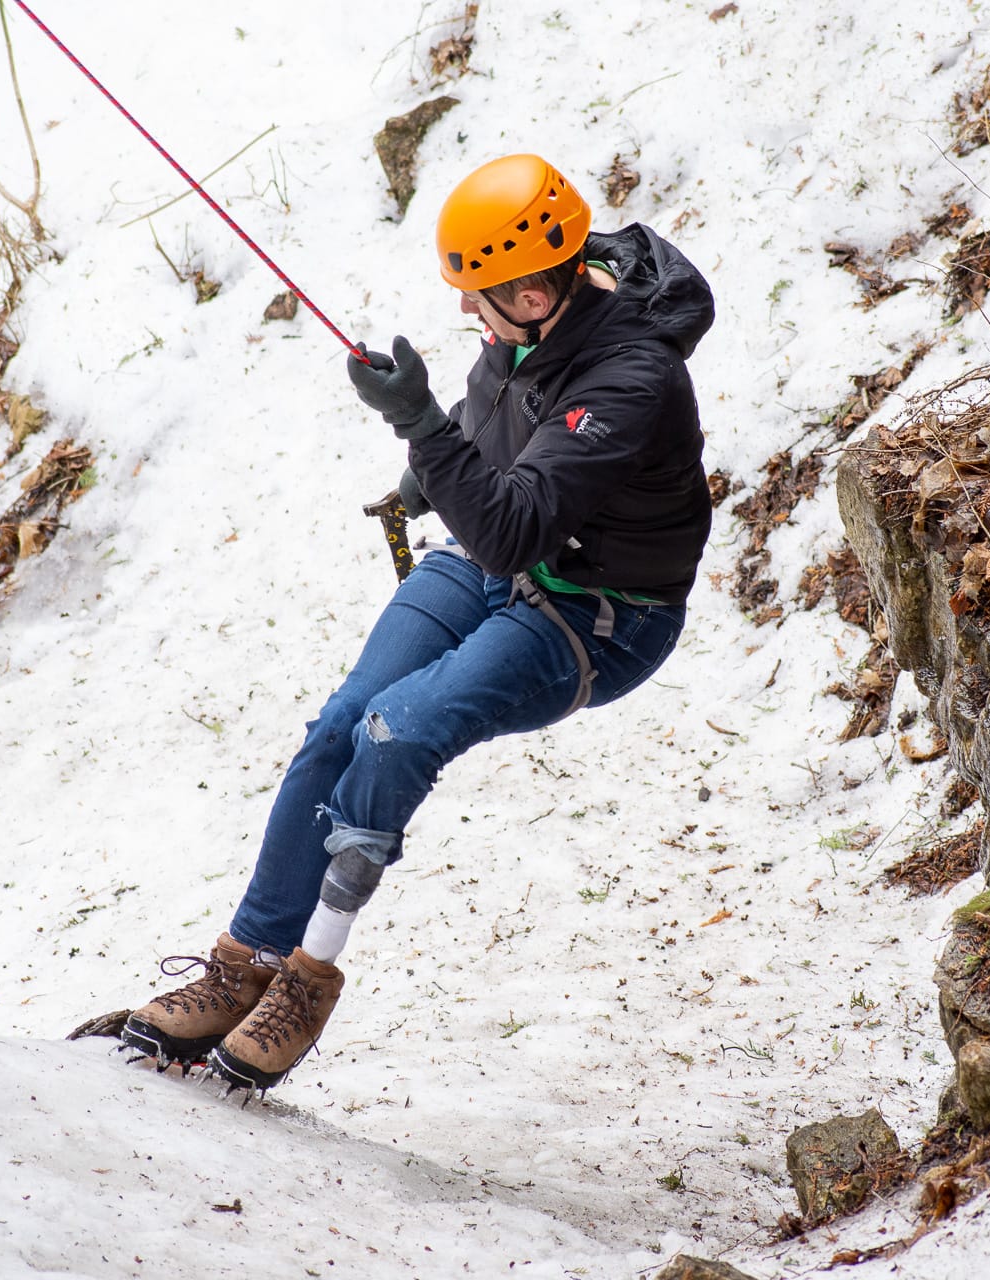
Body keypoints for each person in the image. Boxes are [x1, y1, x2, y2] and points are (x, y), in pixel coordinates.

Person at [120, 153, 716, 1092]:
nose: (468, 312)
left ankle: (307, 979)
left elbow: (516, 527)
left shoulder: (633, 378)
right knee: (338, 725)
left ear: (533, 291)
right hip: (491, 563)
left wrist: (423, 429)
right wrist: (446, 455)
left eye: (479, 298)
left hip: (597, 613)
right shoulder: (541, 308)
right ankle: (243, 964)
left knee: (394, 733)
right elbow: (504, 421)